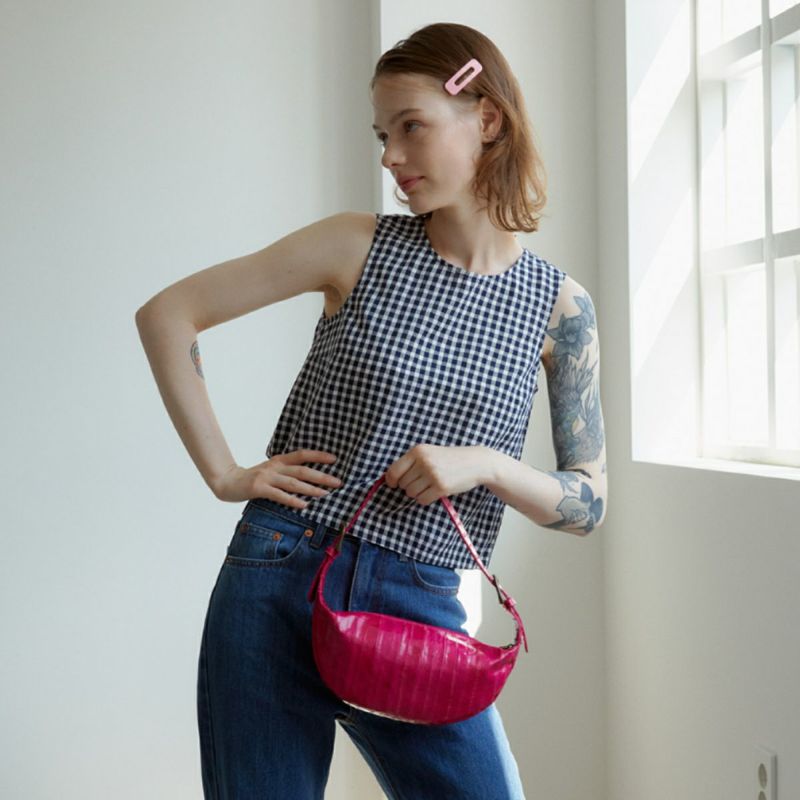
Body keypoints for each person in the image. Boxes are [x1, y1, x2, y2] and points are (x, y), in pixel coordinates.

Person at [135, 21, 607, 800]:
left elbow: (588, 503)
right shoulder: (354, 246)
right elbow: (168, 314)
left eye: (411, 127)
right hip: (279, 575)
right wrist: (225, 473)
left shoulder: (560, 308)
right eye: (384, 135)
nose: (390, 156)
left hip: (420, 602)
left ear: (487, 118)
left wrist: (487, 466)